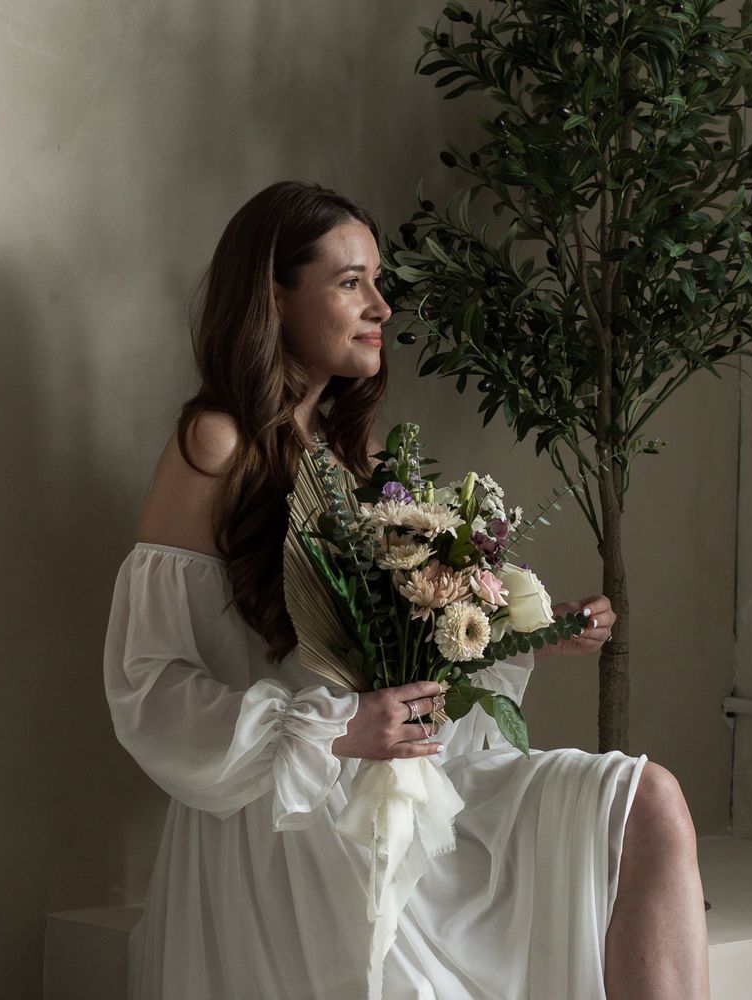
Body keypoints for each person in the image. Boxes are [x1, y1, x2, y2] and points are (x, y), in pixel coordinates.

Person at [103, 180, 710, 999]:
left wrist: (513, 630)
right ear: (274, 298)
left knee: (649, 801)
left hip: (407, 784)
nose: (382, 305)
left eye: (377, 281)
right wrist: (332, 731)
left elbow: (400, 653)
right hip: (290, 816)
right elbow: (150, 684)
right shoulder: (216, 444)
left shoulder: (363, 456)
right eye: (351, 281)